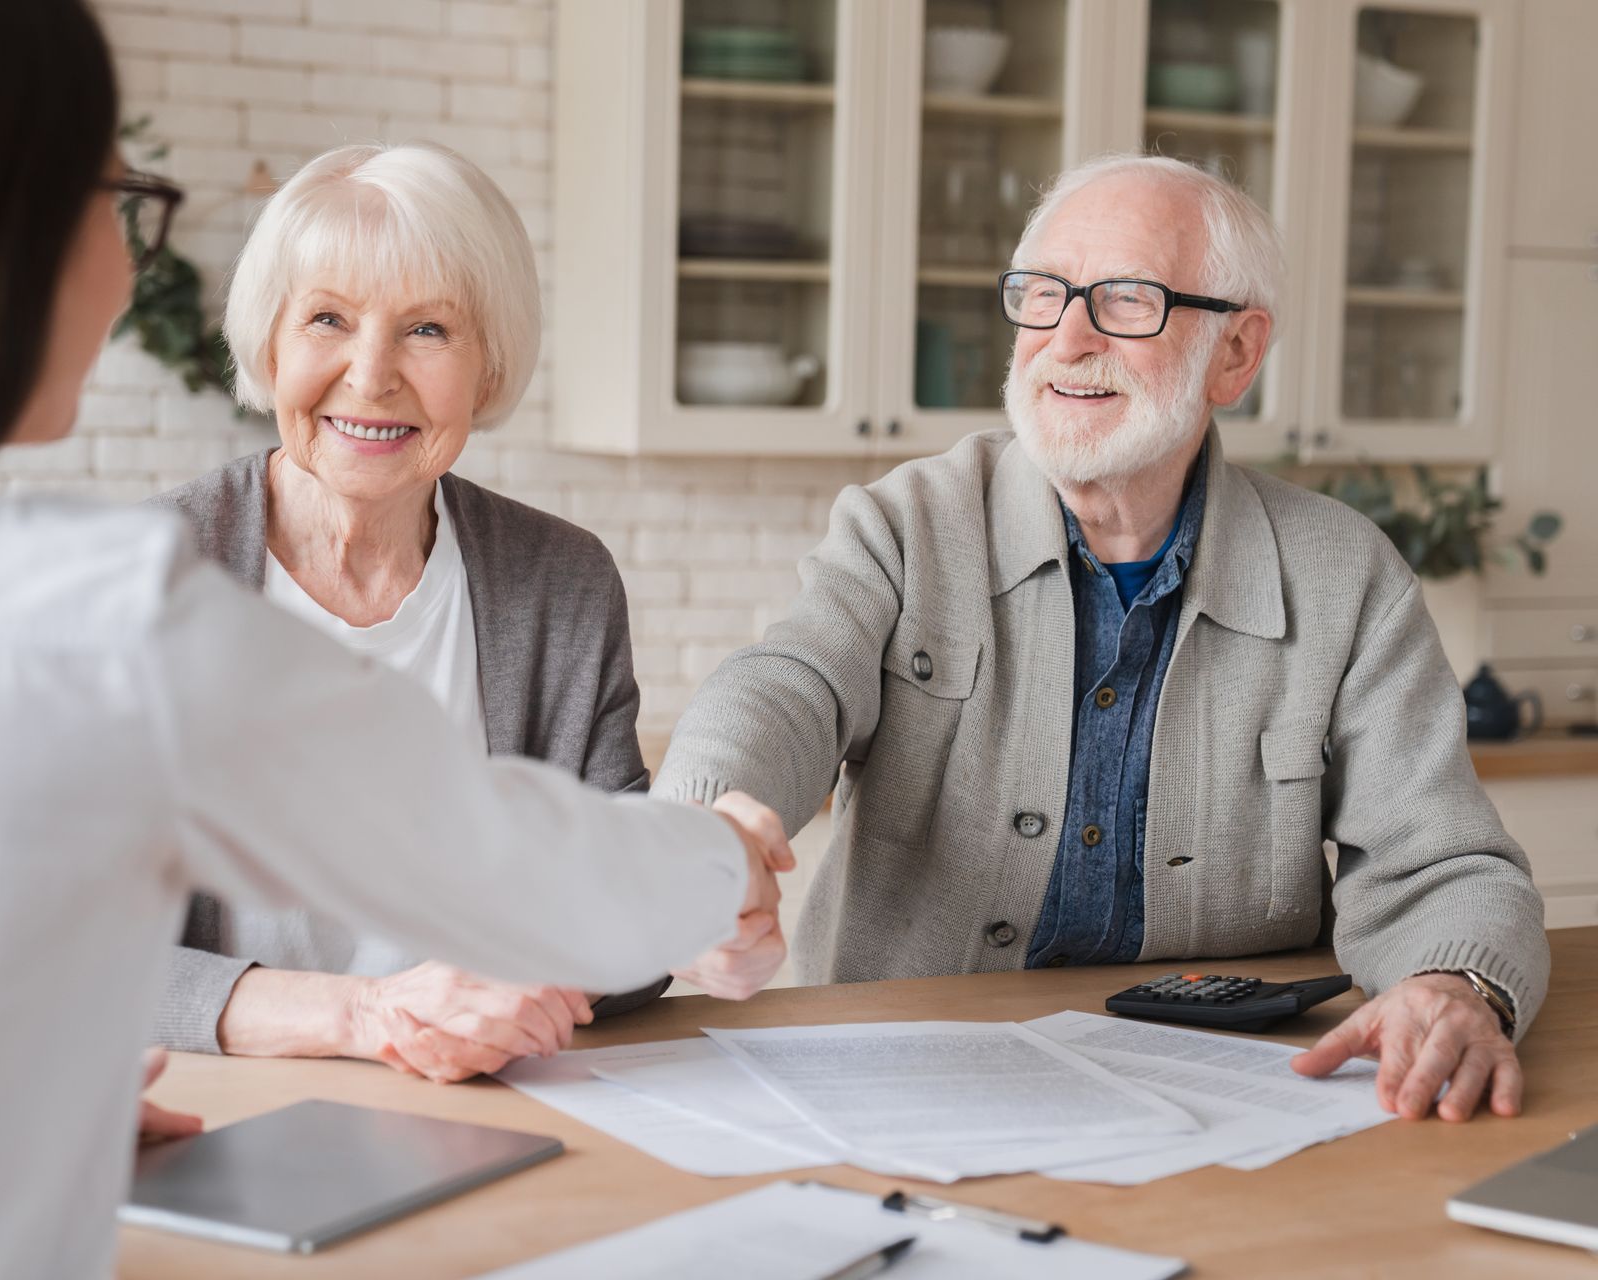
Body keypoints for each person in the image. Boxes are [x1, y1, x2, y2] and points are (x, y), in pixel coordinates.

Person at [0, 3, 791, 1277]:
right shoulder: (94, 622)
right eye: (115, 195)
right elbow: (490, 854)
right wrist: (723, 858)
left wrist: (21, 1106)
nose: (125, 255)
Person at [656, 154, 1548, 1124]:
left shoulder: (1348, 575)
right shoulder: (906, 522)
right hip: (910, 1075)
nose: (1066, 339)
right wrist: (701, 827)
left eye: (1126, 300)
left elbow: (1446, 864)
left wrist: (1458, 985)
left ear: (1237, 354)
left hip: (1233, 1092)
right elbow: (786, 682)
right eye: (1042, 297)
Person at [149, 143, 781, 1083]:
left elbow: (608, 926)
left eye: (429, 330)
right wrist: (371, 1015)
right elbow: (61, 955)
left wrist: (689, 915)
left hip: (492, 1105)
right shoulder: (149, 582)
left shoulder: (561, 582)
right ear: (270, 345)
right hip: (220, 1105)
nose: (371, 376)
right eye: (328, 318)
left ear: (488, 369)